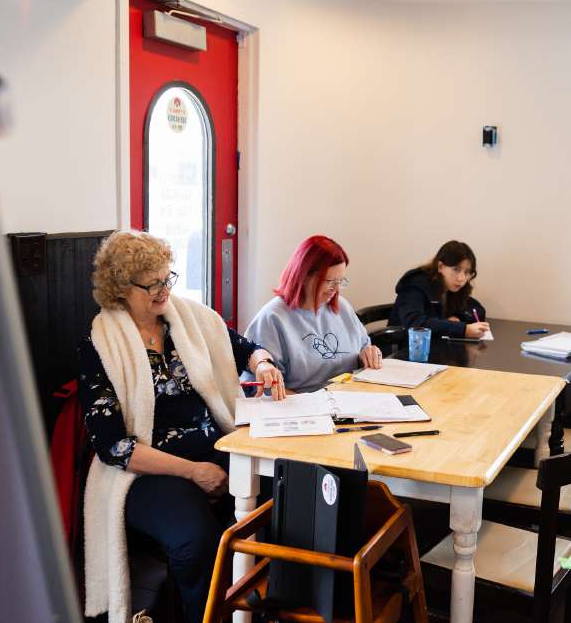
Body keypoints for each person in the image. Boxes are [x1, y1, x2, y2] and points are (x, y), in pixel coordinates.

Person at [77, 230, 285, 623]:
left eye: (167, 278)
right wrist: (194, 472)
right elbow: (114, 448)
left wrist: (263, 364)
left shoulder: (189, 320)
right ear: (121, 289)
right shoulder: (99, 345)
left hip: (216, 446)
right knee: (194, 540)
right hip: (148, 469)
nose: (163, 291)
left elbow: (245, 347)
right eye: (151, 284)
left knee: (287, 498)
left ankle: (265, 607)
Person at [245, 235, 383, 393]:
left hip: (348, 400)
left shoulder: (342, 307)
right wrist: (311, 405)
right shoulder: (272, 318)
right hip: (301, 408)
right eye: (330, 281)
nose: (336, 290)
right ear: (304, 277)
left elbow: (363, 346)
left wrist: (367, 353)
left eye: (340, 282)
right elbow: (265, 388)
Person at [389, 240, 490, 339]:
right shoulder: (416, 283)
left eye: (467, 272)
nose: (461, 278)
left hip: (433, 345)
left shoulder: (452, 287)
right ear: (440, 266)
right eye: (456, 269)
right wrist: (463, 330)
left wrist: (459, 317)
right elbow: (415, 322)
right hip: (402, 348)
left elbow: (478, 310)